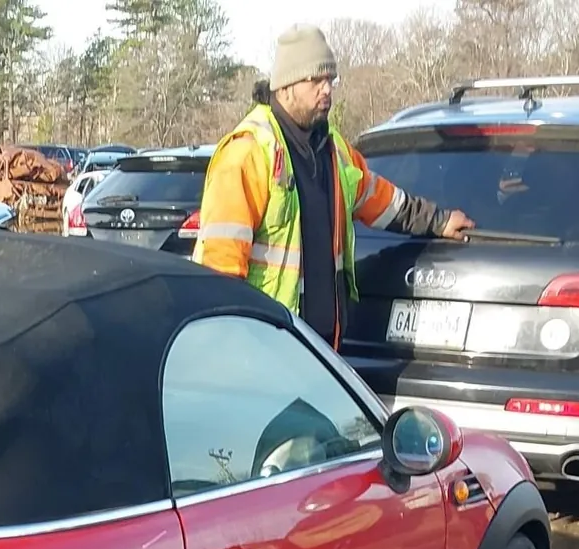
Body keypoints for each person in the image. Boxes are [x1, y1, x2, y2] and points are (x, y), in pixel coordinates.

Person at [192, 26, 475, 348]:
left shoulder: (332, 148)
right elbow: (220, 267)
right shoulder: (249, 152)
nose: (326, 89)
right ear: (285, 86)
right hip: (265, 348)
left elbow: (381, 200)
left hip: (323, 351)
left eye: (330, 80)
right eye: (315, 80)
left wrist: (438, 221)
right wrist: (229, 345)